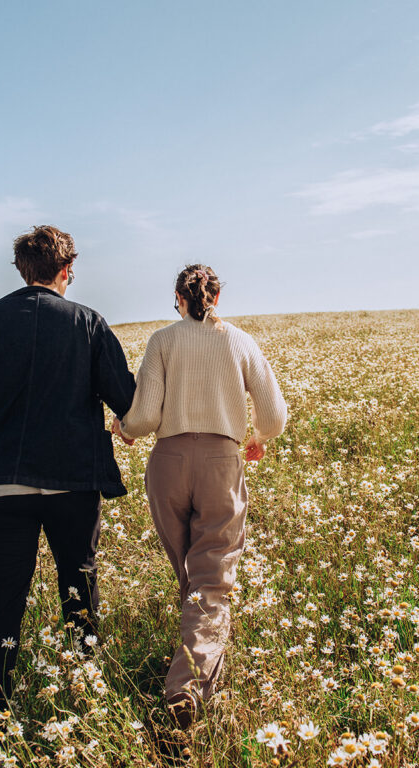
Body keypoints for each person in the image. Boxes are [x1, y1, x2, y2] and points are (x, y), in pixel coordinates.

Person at [0, 225, 136, 761]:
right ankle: (85, 708)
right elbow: (124, 398)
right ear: (66, 271)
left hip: (2, 485)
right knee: (78, 591)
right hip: (73, 484)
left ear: (20, 269)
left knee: (0, 606)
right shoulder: (87, 322)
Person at [113, 264, 287, 727]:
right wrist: (259, 437)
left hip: (168, 463)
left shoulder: (162, 340)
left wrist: (125, 429)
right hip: (220, 461)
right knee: (211, 579)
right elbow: (274, 411)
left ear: (178, 297)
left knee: (190, 574)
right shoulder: (238, 340)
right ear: (216, 298)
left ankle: (199, 671)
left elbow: (146, 414)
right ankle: (187, 688)